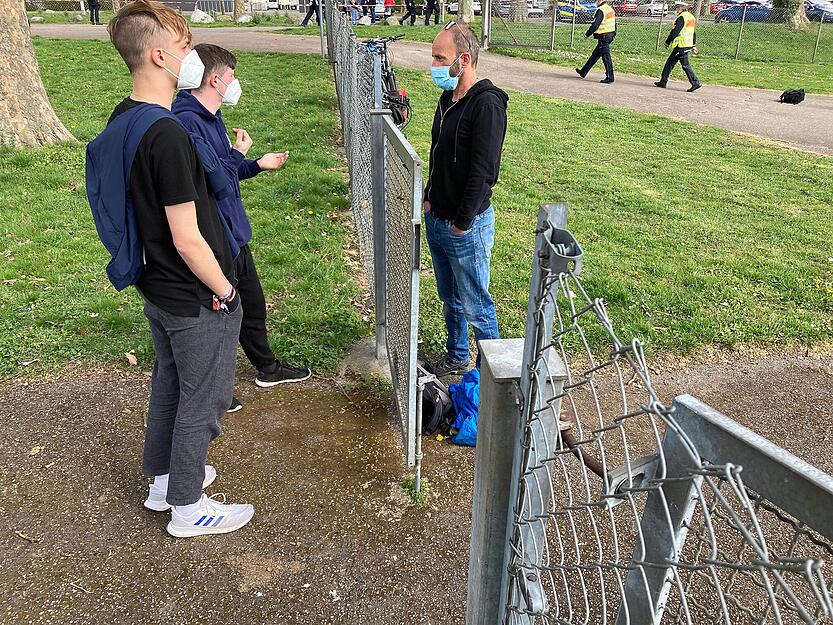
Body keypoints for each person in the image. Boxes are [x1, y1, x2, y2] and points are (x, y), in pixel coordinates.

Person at [95, 0, 253, 537]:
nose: (192, 58)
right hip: (192, 291)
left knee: (169, 382)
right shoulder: (167, 133)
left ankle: (164, 479)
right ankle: (187, 507)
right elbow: (188, 238)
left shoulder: (127, 116)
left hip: (156, 285)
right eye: (186, 49)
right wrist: (226, 289)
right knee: (201, 395)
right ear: (161, 56)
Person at [172, 43, 312, 414]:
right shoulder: (187, 122)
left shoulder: (210, 115)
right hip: (213, 237)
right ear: (216, 79)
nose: (236, 83)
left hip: (234, 231)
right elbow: (217, 180)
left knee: (251, 303)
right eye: (232, 76)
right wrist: (239, 152)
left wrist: (255, 165)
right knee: (220, 316)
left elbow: (225, 172)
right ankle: (215, 390)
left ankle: (267, 367)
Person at [423, 21, 508, 377]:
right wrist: (428, 198)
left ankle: (492, 374)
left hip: (464, 227)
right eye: (433, 57)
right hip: (437, 217)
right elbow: (438, 153)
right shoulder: (448, 98)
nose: (434, 65)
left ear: (464, 58)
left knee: (477, 303)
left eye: (440, 58)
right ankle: (457, 354)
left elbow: (483, 172)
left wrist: (462, 222)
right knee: (450, 297)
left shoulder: (486, 105)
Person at [654, 0, 701, 92]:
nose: (676, 9)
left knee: (685, 65)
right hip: (687, 44)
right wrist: (693, 45)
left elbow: (675, 31)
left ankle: (695, 82)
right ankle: (663, 81)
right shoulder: (690, 17)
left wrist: (667, 42)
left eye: (677, 7)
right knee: (670, 63)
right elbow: (693, 33)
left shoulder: (681, 17)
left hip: (681, 45)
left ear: (681, 8)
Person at [575, 0, 616, 84]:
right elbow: (615, 24)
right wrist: (614, 34)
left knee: (606, 57)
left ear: (599, 1)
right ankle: (583, 72)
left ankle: (610, 77)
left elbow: (595, 25)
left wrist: (587, 34)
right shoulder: (610, 9)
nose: (595, 3)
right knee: (595, 55)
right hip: (610, 35)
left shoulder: (601, 10)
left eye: (596, 1)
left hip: (604, 36)